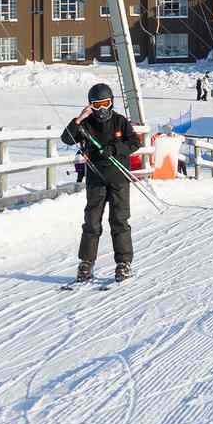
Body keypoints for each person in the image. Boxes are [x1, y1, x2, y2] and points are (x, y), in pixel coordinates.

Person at [63, 84, 142, 284]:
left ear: (112, 102)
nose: (101, 109)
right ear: (90, 106)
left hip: (118, 179)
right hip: (96, 180)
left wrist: (115, 149)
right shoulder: (86, 124)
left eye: (105, 104)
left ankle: (123, 264)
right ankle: (86, 264)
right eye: (96, 105)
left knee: (119, 221)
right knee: (91, 222)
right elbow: (67, 138)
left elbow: (134, 143)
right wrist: (79, 119)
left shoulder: (119, 121)